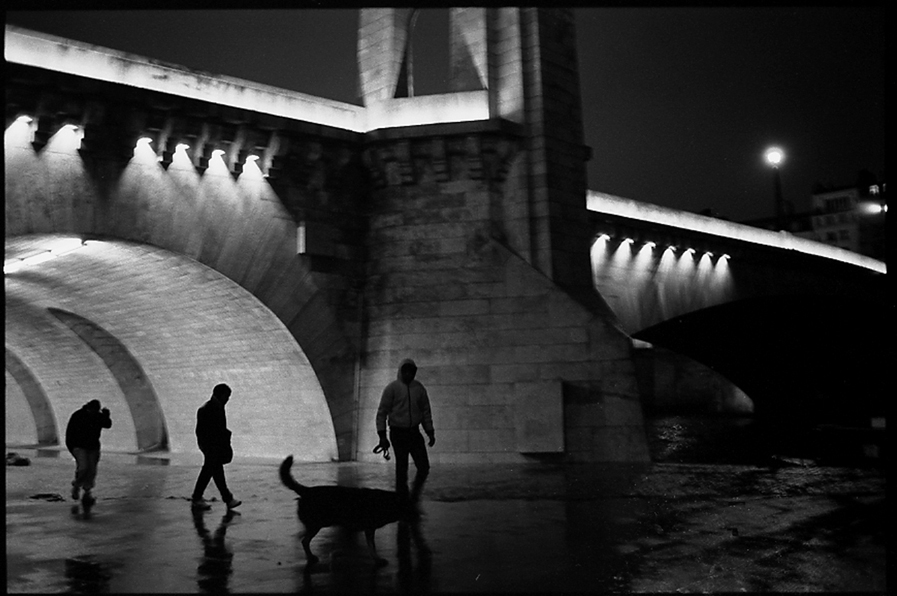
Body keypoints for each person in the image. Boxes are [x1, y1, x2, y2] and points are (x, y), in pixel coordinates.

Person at [376, 359, 435, 501]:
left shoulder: (419, 389)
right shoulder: (392, 389)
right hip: (398, 432)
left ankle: (412, 496)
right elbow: (382, 413)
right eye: (406, 371)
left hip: (413, 431)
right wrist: (382, 436)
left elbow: (426, 411)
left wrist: (430, 431)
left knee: (423, 467)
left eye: (411, 372)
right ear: (402, 372)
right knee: (402, 469)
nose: (408, 374)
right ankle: (403, 498)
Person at [191, 384, 241, 511]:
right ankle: (201, 498)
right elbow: (204, 431)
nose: (228, 399)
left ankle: (225, 498)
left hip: (213, 446)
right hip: (211, 446)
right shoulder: (208, 409)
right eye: (227, 396)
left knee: (213, 471)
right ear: (220, 394)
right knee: (211, 471)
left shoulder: (216, 407)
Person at [65, 400, 112, 504]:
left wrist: (106, 415)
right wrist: (71, 447)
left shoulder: (98, 416)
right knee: (83, 467)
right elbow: (70, 432)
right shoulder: (78, 415)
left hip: (93, 447)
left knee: (91, 470)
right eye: (93, 410)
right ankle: (76, 485)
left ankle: (87, 491)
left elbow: (107, 425)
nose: (94, 412)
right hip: (78, 446)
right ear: (88, 408)